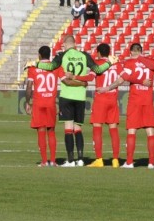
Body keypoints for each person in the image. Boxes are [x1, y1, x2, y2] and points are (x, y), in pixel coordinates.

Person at [35, 35, 113, 166]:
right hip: (80, 96)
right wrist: (110, 62)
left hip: (67, 95)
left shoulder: (62, 55)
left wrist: (35, 63)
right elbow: (98, 70)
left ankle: (70, 160)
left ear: (66, 44)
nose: (62, 46)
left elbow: (50, 67)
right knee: (78, 128)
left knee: (68, 129)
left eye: (63, 44)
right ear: (75, 44)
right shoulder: (84, 55)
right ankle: (81, 159)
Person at [96, 43, 154, 168]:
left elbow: (122, 79)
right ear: (141, 51)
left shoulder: (130, 63)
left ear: (131, 52)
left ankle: (130, 162)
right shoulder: (151, 62)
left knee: (132, 130)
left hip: (135, 100)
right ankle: (152, 163)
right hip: (147, 100)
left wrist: (107, 88)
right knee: (150, 131)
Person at [24, 46, 62, 167]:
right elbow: (65, 82)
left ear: (39, 55)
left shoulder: (33, 67)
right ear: (49, 55)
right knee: (51, 131)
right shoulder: (56, 67)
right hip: (51, 103)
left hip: (39, 103)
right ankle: (53, 161)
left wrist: (27, 102)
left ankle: (44, 161)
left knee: (41, 131)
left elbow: (29, 86)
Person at [86, 43, 121, 168]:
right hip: (113, 98)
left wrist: (75, 77)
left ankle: (99, 159)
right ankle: (115, 160)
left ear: (98, 53)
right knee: (113, 129)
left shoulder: (97, 64)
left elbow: (90, 78)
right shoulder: (116, 64)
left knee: (97, 128)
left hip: (101, 99)